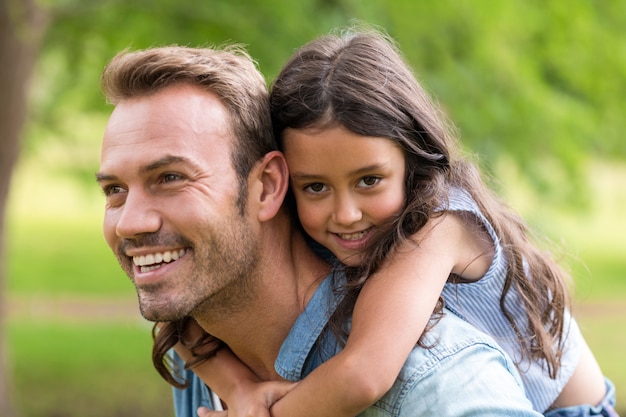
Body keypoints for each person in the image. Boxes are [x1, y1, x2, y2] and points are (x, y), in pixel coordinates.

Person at [169, 29, 618, 417]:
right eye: (316, 188)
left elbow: (364, 374)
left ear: (412, 158)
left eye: (369, 180)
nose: (345, 214)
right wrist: (239, 390)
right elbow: (187, 309)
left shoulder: (441, 227)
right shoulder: (339, 230)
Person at [96, 44, 542, 416]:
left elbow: (364, 372)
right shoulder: (202, 340)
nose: (132, 221)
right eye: (114, 189)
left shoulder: (436, 385)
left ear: (268, 187)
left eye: (171, 177)